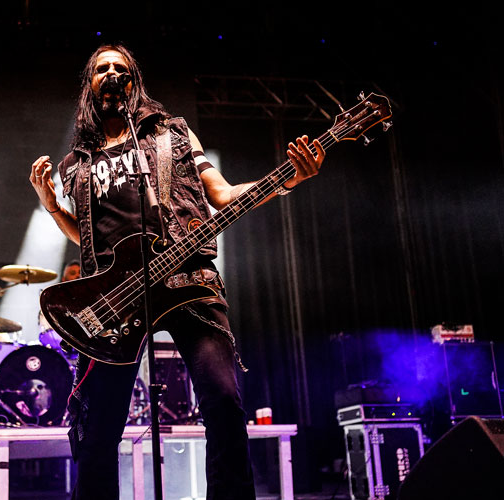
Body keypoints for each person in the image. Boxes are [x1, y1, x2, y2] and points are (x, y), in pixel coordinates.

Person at [29, 44, 324, 500]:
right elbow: (85, 238)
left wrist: (288, 179)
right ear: (89, 84)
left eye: (121, 68)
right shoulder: (77, 163)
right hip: (117, 299)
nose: (112, 73)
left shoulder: (175, 133)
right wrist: (51, 206)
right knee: (97, 424)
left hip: (187, 280)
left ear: (133, 81)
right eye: (102, 68)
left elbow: (222, 195)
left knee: (223, 400)